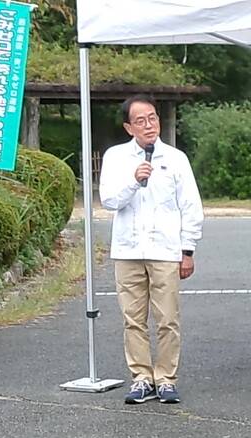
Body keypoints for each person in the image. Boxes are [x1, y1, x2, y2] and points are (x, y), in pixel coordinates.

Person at [99, 95, 204, 404]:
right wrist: (134, 180)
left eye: (153, 118)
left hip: (165, 250)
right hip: (128, 250)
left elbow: (190, 206)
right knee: (133, 319)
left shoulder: (176, 158)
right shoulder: (116, 157)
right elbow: (109, 201)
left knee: (168, 319)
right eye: (141, 120)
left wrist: (188, 250)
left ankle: (167, 378)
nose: (149, 125)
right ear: (128, 127)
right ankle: (142, 378)